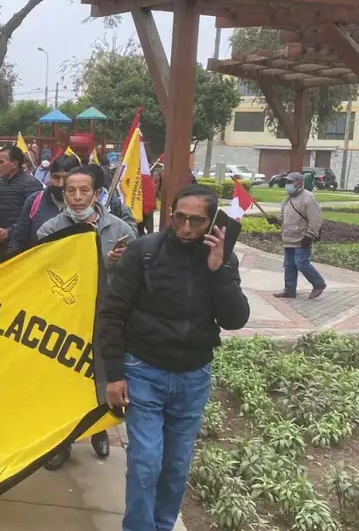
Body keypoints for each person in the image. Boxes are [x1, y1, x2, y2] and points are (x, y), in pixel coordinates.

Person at [99, 184, 250, 531]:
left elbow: (235, 319)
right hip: (143, 371)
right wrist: (115, 374)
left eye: (196, 221)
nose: (185, 228)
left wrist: (218, 270)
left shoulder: (222, 257)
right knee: (145, 461)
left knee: (176, 464)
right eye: (179, 217)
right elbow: (112, 313)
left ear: (212, 223)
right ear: (170, 215)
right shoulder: (144, 252)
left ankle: (162, 524)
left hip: (192, 376)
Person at [36, 165, 139, 469]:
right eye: (71, 191)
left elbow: (135, 277)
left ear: (97, 194)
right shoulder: (50, 230)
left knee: (102, 375)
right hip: (64, 317)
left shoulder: (121, 230)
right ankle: (61, 441)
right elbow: (43, 273)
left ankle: (99, 429)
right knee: (63, 379)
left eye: (84, 191)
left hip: (107, 319)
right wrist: (95, 263)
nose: (77, 197)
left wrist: (115, 265)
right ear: (63, 193)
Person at [8, 154, 80, 257]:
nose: (60, 184)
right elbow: (18, 239)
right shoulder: (34, 201)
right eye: (56, 177)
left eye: (65, 178)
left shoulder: (86, 206)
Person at [269, 171, 326, 299]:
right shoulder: (287, 199)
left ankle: (318, 283)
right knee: (289, 265)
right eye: (287, 182)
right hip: (288, 237)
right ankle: (289, 290)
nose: (287, 184)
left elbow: (316, 219)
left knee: (301, 263)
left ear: (299, 183)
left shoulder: (308, 198)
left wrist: (310, 235)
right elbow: (284, 219)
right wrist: (276, 221)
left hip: (302, 238)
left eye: (290, 182)